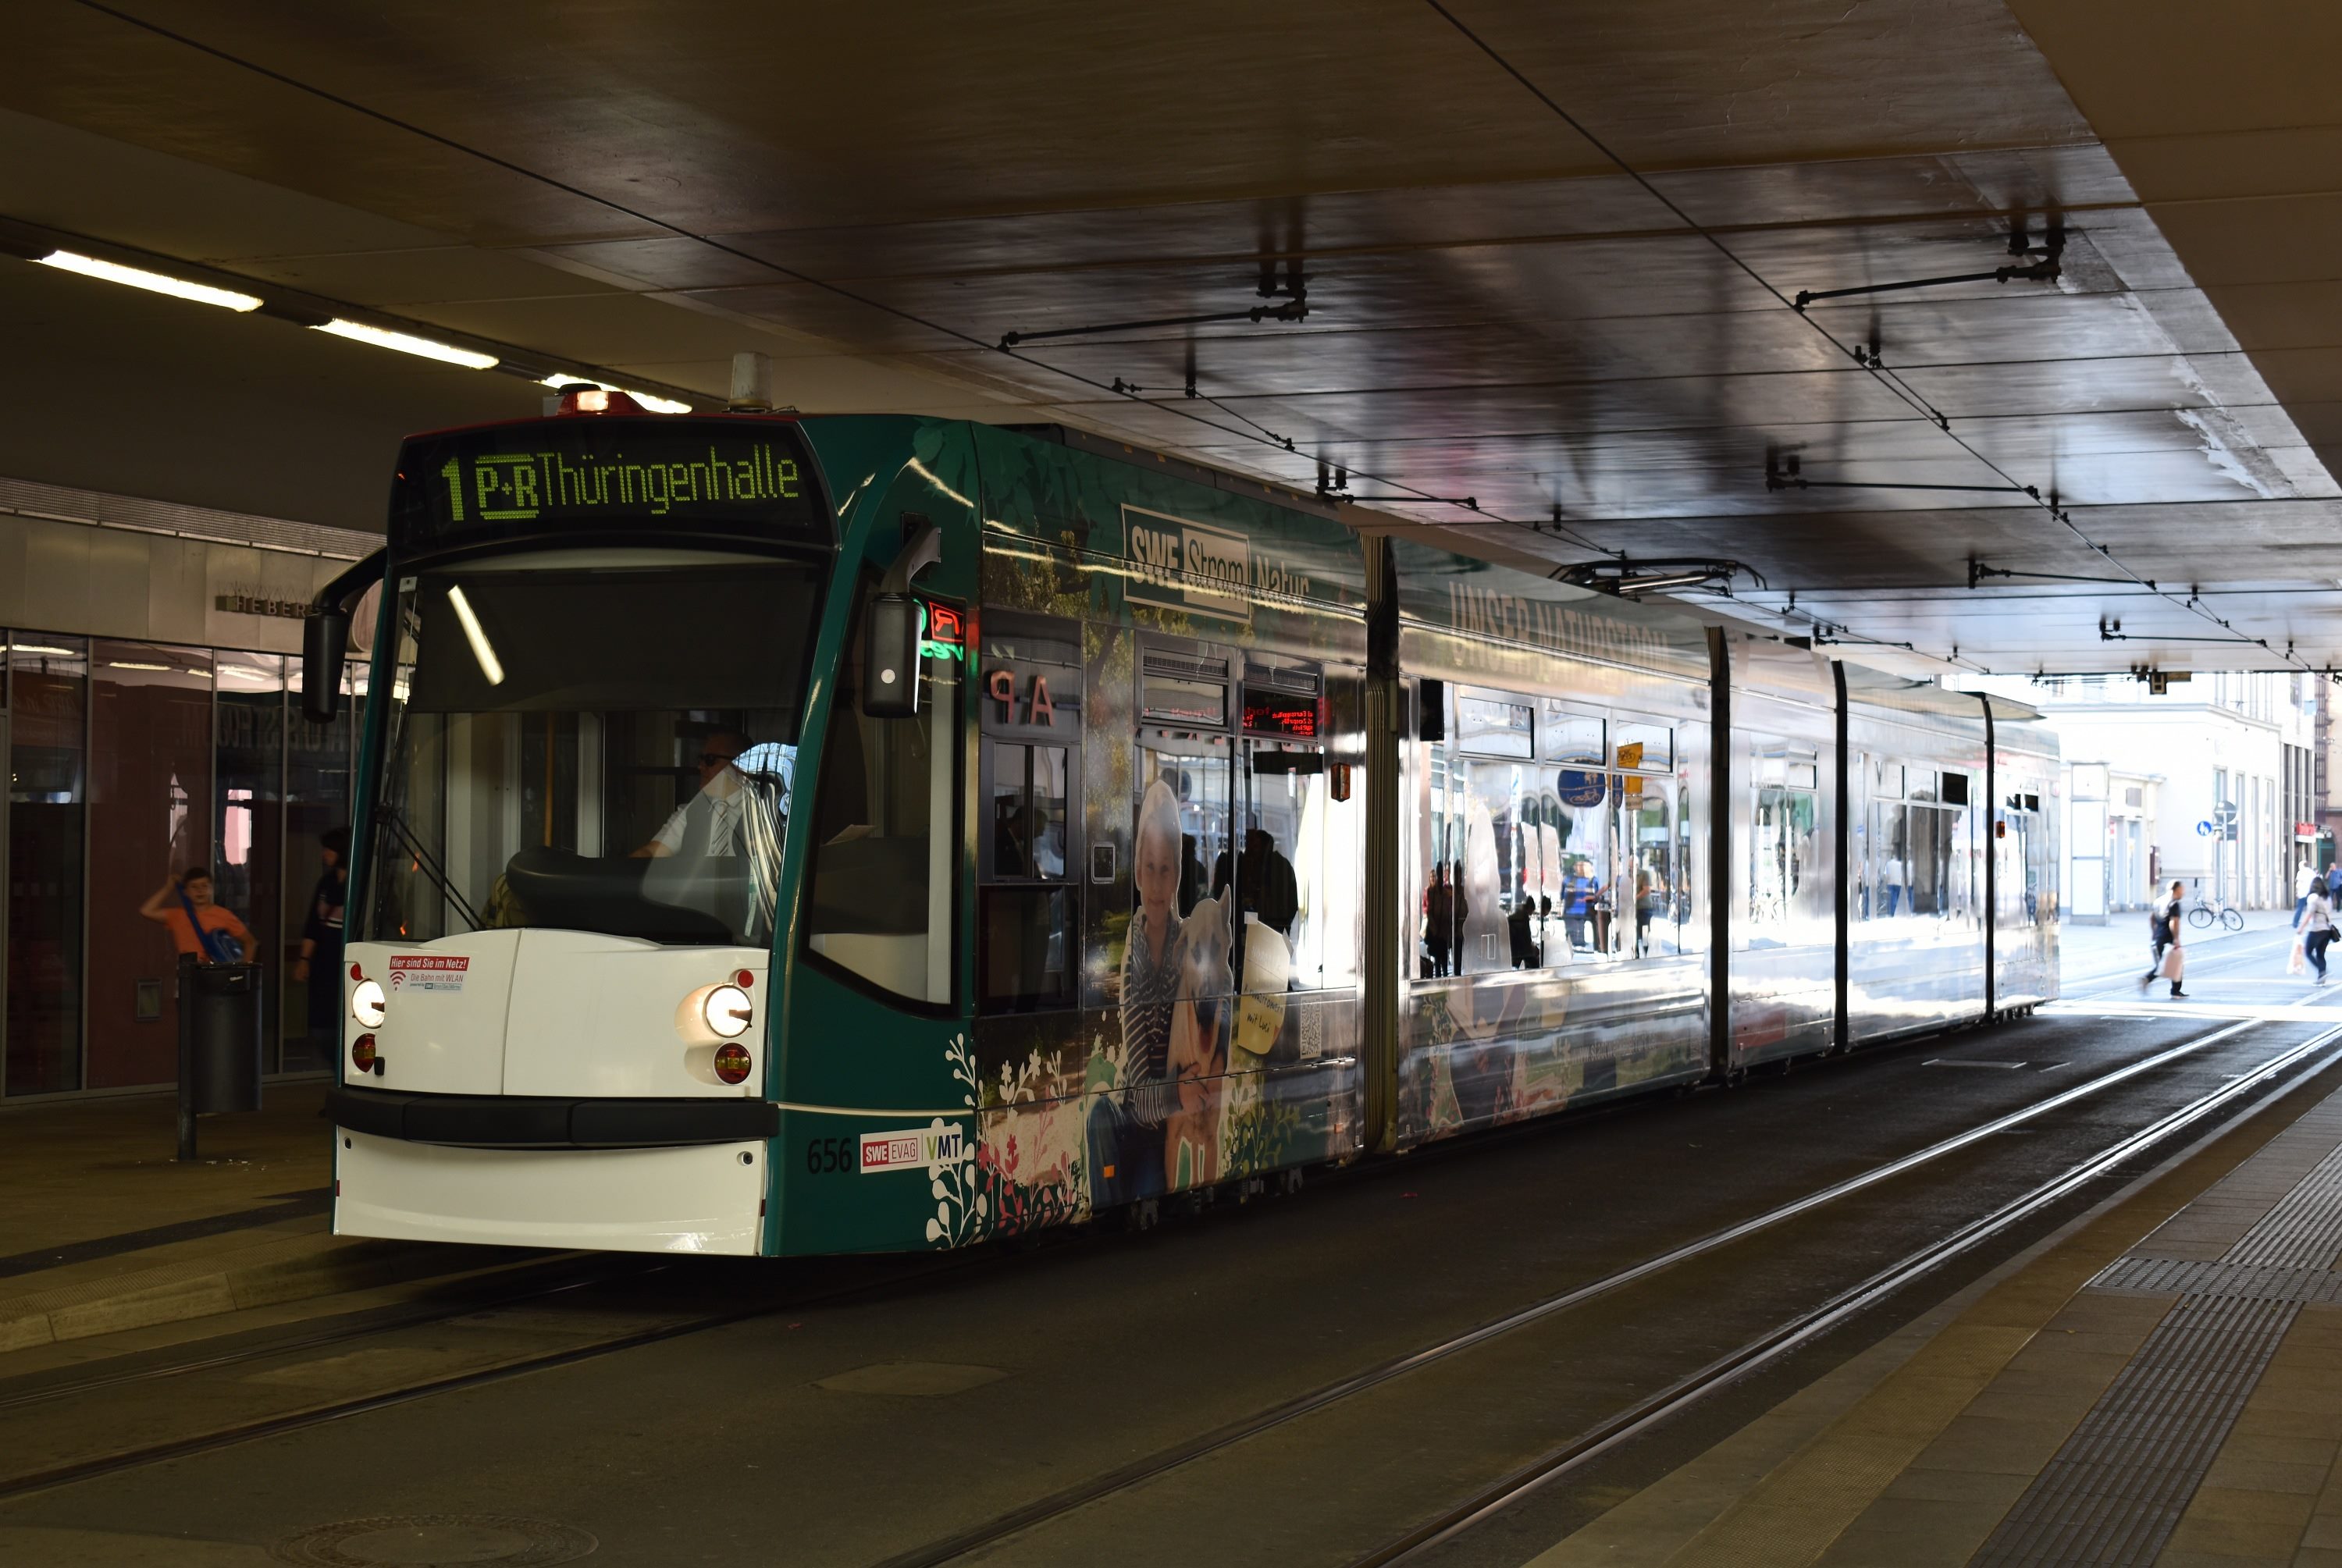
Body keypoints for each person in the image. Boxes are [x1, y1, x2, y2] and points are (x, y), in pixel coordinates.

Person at [635, 728, 749, 859]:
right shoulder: (692, 810)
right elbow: (653, 851)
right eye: (701, 759)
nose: (701, 767)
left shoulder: (761, 810)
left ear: (741, 764)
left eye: (710, 760)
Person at [292, 827, 351, 1069]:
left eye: (330, 849)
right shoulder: (326, 883)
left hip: (347, 963)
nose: (325, 854)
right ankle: (339, 1070)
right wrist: (304, 959)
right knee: (321, 1026)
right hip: (323, 964)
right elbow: (313, 925)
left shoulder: (360, 882)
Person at [140, 867, 251, 965]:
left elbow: (250, 942)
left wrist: (243, 972)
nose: (200, 891)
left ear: (211, 889)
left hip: (219, 975)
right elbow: (146, 911)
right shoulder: (177, 916)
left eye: (204, 886)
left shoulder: (224, 915)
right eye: (194, 887)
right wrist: (169, 887)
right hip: (189, 975)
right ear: (186, 891)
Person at [2141, 879, 2187, 998]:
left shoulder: (2158, 901)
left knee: (2161, 965)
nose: (2184, 892)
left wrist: (2154, 933)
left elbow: (2152, 918)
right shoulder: (2174, 903)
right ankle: (2175, 991)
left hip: (2158, 938)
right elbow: (2174, 922)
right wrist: (2176, 938)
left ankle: (2148, 979)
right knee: (2176, 965)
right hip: (2168, 939)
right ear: (2176, 889)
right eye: (2182, 889)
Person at [2303, 882, 2338, 987]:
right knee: (2320, 954)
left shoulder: (2313, 898)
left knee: (2308, 952)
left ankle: (2323, 971)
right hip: (2327, 929)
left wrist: (2301, 928)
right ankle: (2321, 979)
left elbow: (2309, 914)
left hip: (2316, 929)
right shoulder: (2327, 898)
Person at [1423, 866, 1454, 978]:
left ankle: (1443, 976)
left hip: (1442, 929)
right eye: (1432, 876)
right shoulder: (1430, 891)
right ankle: (1440, 977)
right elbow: (1427, 909)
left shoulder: (1443, 891)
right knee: (1438, 957)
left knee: (1443, 957)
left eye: (1435, 876)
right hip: (1436, 929)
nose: (1434, 878)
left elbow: (1450, 899)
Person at [2298, 859, 2321, 930]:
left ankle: (2295, 923)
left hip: (2303, 892)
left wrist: (2297, 892)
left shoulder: (2301, 872)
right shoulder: (2312, 872)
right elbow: (2315, 881)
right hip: (2311, 892)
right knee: (2311, 907)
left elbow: (2299, 883)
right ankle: (2312, 921)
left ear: (2302, 866)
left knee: (2300, 908)